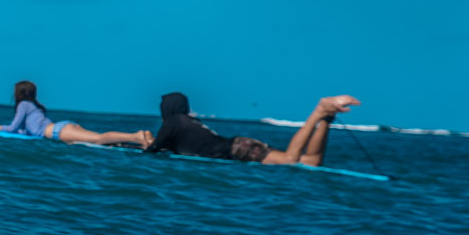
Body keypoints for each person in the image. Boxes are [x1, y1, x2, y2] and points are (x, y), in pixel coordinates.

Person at [148, 91, 361, 166]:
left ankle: (319, 110)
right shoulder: (188, 123)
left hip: (238, 150)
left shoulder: (173, 122)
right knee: (310, 162)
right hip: (240, 144)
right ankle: (326, 118)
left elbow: (154, 150)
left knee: (289, 159)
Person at [0, 80, 152, 148]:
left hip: (58, 131)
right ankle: (135, 141)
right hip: (62, 127)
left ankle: (136, 136)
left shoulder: (24, 105)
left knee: (98, 139)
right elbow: (26, 130)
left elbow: (12, 128)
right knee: (102, 141)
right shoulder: (34, 105)